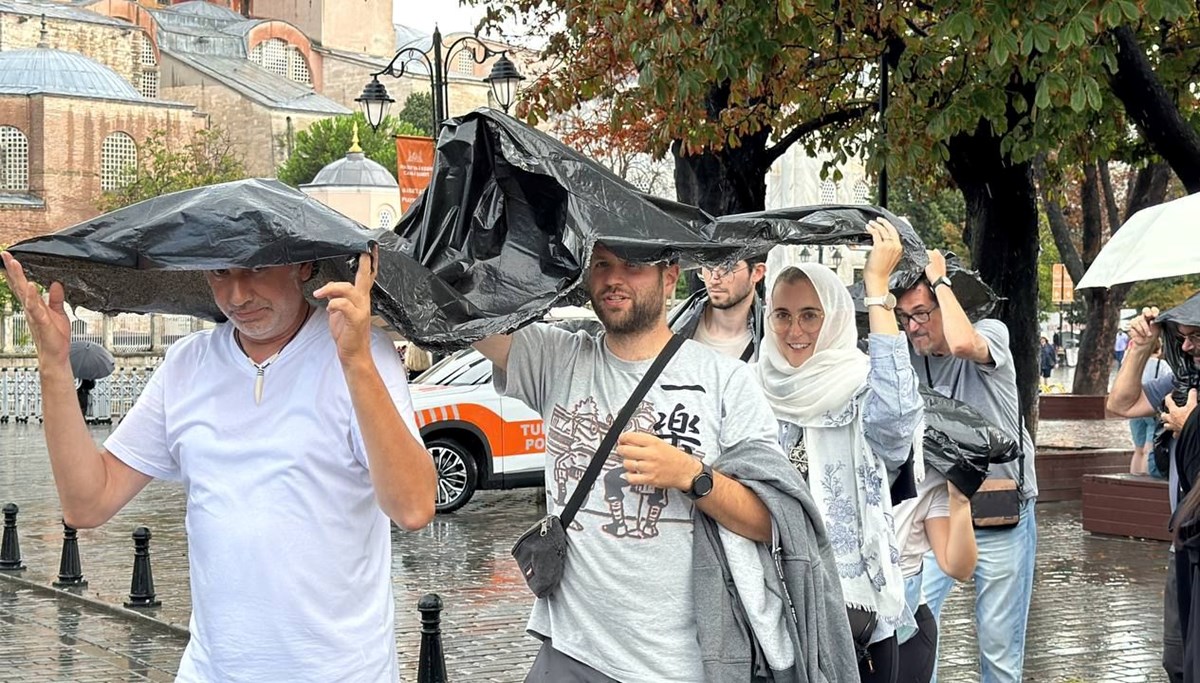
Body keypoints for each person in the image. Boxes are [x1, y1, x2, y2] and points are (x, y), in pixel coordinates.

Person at [1, 249, 437, 682]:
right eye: (220, 271)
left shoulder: (362, 352)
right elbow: (87, 503)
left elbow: (414, 507)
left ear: (303, 264)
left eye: (259, 268)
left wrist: (355, 362)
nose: (238, 294)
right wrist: (54, 365)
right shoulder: (188, 364)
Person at [474, 242, 858, 682]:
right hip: (570, 654)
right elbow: (459, 312)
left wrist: (692, 476)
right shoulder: (555, 359)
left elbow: (774, 523)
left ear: (670, 276)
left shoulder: (724, 381)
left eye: (633, 265)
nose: (614, 278)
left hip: (679, 666)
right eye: (602, 264)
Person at [755, 218, 921, 682]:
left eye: (810, 314)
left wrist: (876, 290)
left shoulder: (860, 387)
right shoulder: (752, 388)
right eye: (782, 315)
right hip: (769, 620)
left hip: (854, 619)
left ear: (835, 317)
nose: (794, 330)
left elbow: (898, 420)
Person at [894, 250, 1038, 683]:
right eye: (904, 317)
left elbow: (961, 343)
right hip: (938, 515)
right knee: (917, 638)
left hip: (1000, 514)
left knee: (998, 652)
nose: (913, 326)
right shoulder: (909, 358)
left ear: (947, 301)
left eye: (921, 313)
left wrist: (939, 280)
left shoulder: (988, 331)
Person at [1107, 302, 1200, 683]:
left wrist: (1189, 423)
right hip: (1185, 540)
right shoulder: (1185, 383)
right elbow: (1120, 404)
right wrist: (1141, 348)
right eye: (1183, 339)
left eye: (1196, 336)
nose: (1189, 347)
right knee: (1178, 661)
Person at [670, 256, 767, 361]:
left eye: (728, 267)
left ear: (757, 272)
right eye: (708, 265)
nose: (714, 280)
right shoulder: (674, 322)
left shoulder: (771, 343)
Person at [1128, 340, 1173, 476]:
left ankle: (1133, 476)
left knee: (1138, 448)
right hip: (1152, 408)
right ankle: (1145, 477)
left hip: (1135, 406)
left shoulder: (1137, 363)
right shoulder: (1162, 364)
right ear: (1159, 350)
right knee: (1149, 446)